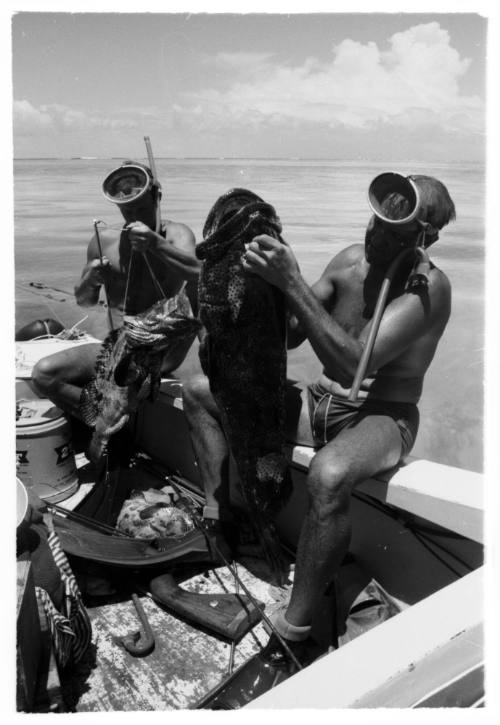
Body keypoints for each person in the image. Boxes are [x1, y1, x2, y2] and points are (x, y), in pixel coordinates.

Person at [182, 174, 455, 690]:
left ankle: (294, 631)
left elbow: (355, 367)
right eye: (377, 219)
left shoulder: (429, 287)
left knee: (328, 475)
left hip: (383, 415)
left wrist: (289, 282)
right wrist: (251, 287)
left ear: (426, 237)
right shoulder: (351, 260)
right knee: (199, 391)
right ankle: (220, 520)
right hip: (319, 402)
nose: (377, 235)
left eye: (395, 231)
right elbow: (287, 336)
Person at [32, 160, 200, 420]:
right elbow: (85, 301)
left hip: (159, 351)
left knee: (52, 371)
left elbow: (201, 274)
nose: (134, 215)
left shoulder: (176, 234)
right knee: (44, 374)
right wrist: (90, 279)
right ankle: (105, 423)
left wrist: (156, 245)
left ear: (158, 196)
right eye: (127, 209)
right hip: (114, 346)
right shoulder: (104, 241)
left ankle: (107, 425)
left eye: (141, 207)